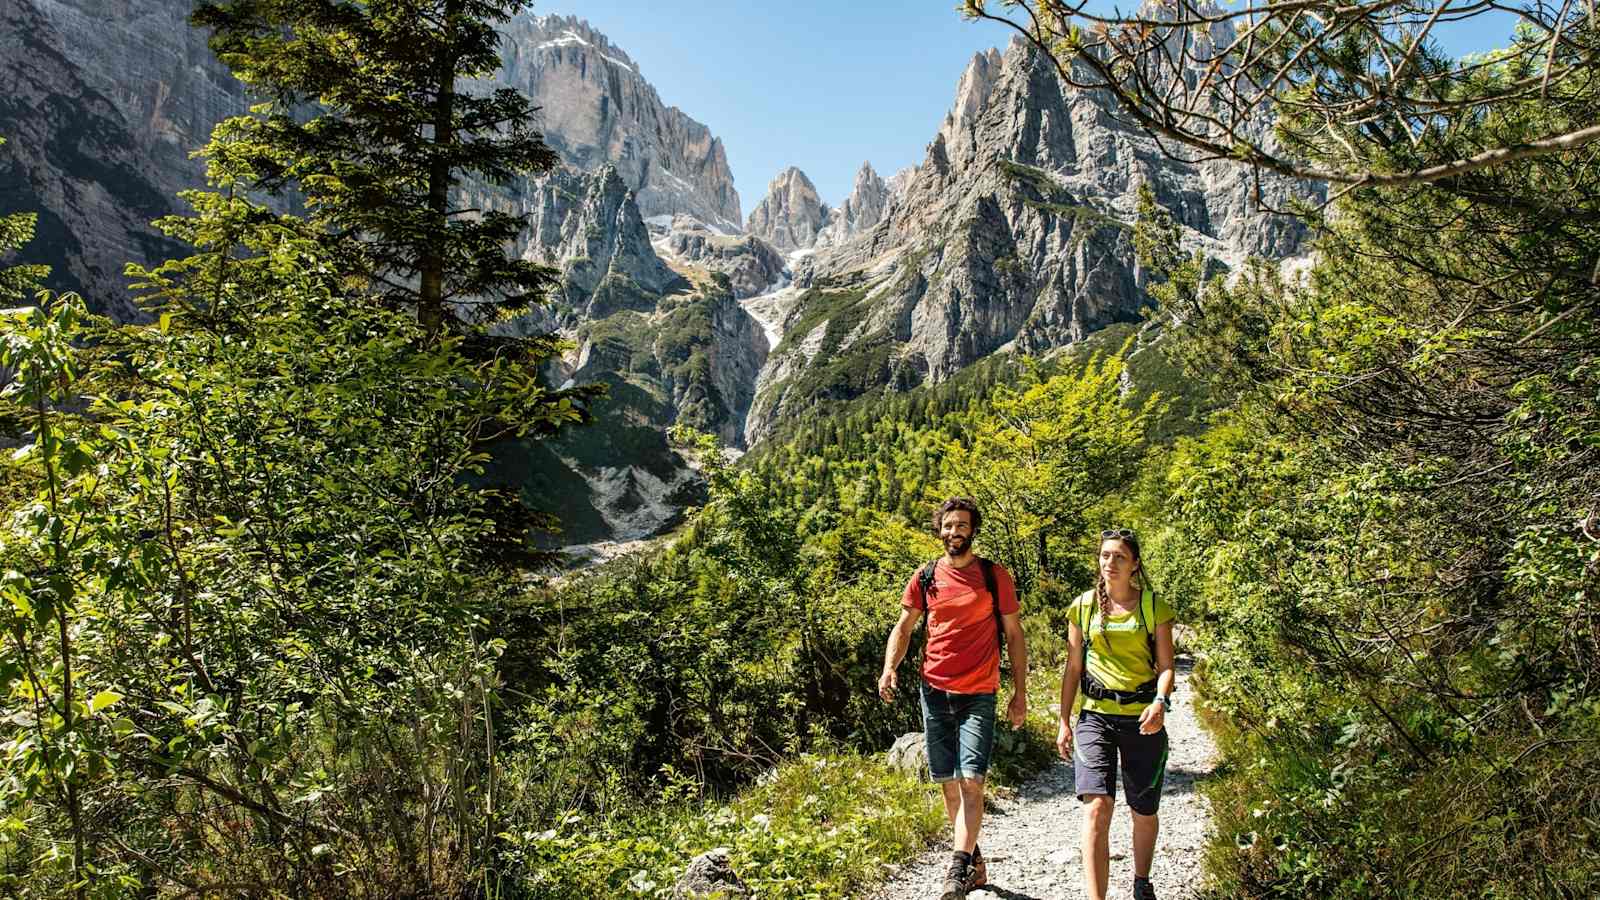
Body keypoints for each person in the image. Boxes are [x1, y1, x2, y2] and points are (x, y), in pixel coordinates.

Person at [878, 497, 1028, 900]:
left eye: (961, 525)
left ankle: (957, 869)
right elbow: (904, 627)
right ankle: (974, 861)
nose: (954, 532)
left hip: (979, 692)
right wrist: (890, 668)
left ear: (972, 530)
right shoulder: (925, 576)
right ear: (939, 530)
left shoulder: (994, 577)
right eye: (948, 526)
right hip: (934, 690)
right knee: (948, 784)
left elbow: (1014, 636)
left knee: (972, 781)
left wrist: (1020, 692)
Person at [1057, 528, 1175, 900]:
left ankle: (1141, 882)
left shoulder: (1153, 606)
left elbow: (1166, 666)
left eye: (1119, 556)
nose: (1110, 562)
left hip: (1143, 718)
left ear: (1135, 564)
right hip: (1095, 717)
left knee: (1143, 808)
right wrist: (1063, 720)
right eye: (1105, 555)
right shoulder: (1083, 606)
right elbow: (1073, 668)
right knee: (1097, 806)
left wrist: (1160, 702)